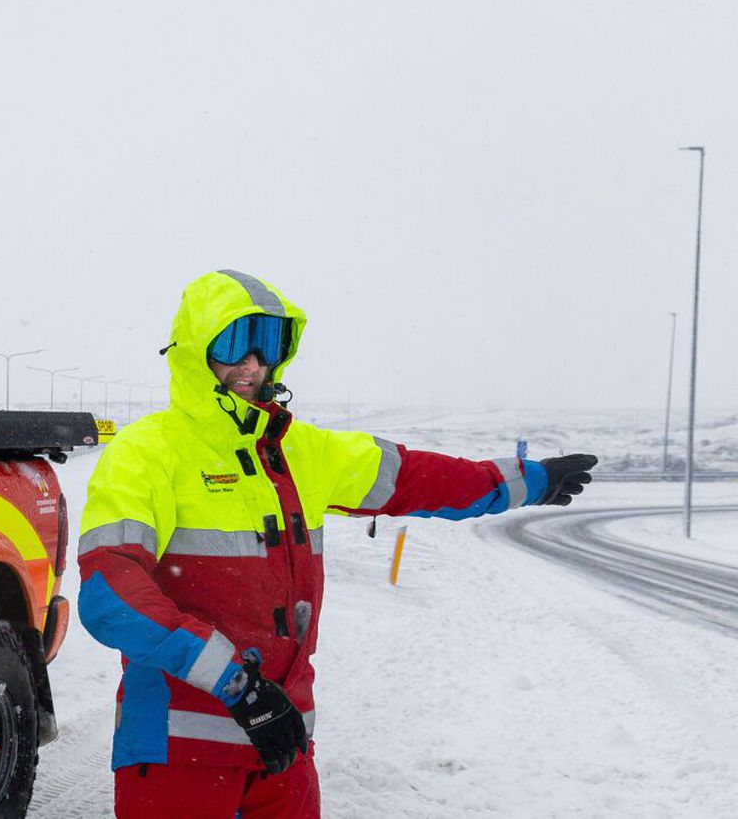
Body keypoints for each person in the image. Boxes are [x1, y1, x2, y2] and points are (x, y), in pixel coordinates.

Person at [76, 269, 596, 818]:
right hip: (178, 751)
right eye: (233, 342)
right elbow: (111, 596)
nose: (251, 363)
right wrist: (237, 686)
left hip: (284, 748)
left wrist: (528, 481)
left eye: (267, 342)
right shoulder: (148, 453)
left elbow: (415, 478)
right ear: (194, 349)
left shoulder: (299, 451)